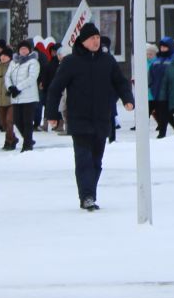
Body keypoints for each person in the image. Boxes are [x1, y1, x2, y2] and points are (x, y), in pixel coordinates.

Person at [42, 21, 135, 211]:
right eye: (92, 38)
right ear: (83, 41)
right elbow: (55, 89)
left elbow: (120, 82)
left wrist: (127, 98)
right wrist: (51, 114)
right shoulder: (70, 62)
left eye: (98, 37)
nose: (96, 41)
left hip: (102, 118)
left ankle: (89, 192)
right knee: (83, 159)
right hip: (78, 118)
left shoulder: (107, 61)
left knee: (96, 161)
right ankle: (87, 196)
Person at [4, 41, 41, 151]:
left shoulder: (33, 62)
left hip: (29, 97)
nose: (23, 51)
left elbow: (31, 78)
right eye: (21, 49)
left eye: (25, 49)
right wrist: (10, 87)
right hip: (16, 98)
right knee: (17, 120)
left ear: (29, 50)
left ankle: (27, 145)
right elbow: (7, 76)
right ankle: (28, 139)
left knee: (27, 121)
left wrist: (18, 88)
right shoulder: (13, 63)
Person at [146, 39, 174, 139]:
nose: (163, 49)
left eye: (165, 47)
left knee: (166, 114)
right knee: (163, 114)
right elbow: (151, 74)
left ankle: (166, 132)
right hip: (156, 91)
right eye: (161, 47)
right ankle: (170, 132)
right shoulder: (157, 60)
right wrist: (151, 85)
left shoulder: (173, 60)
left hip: (168, 92)